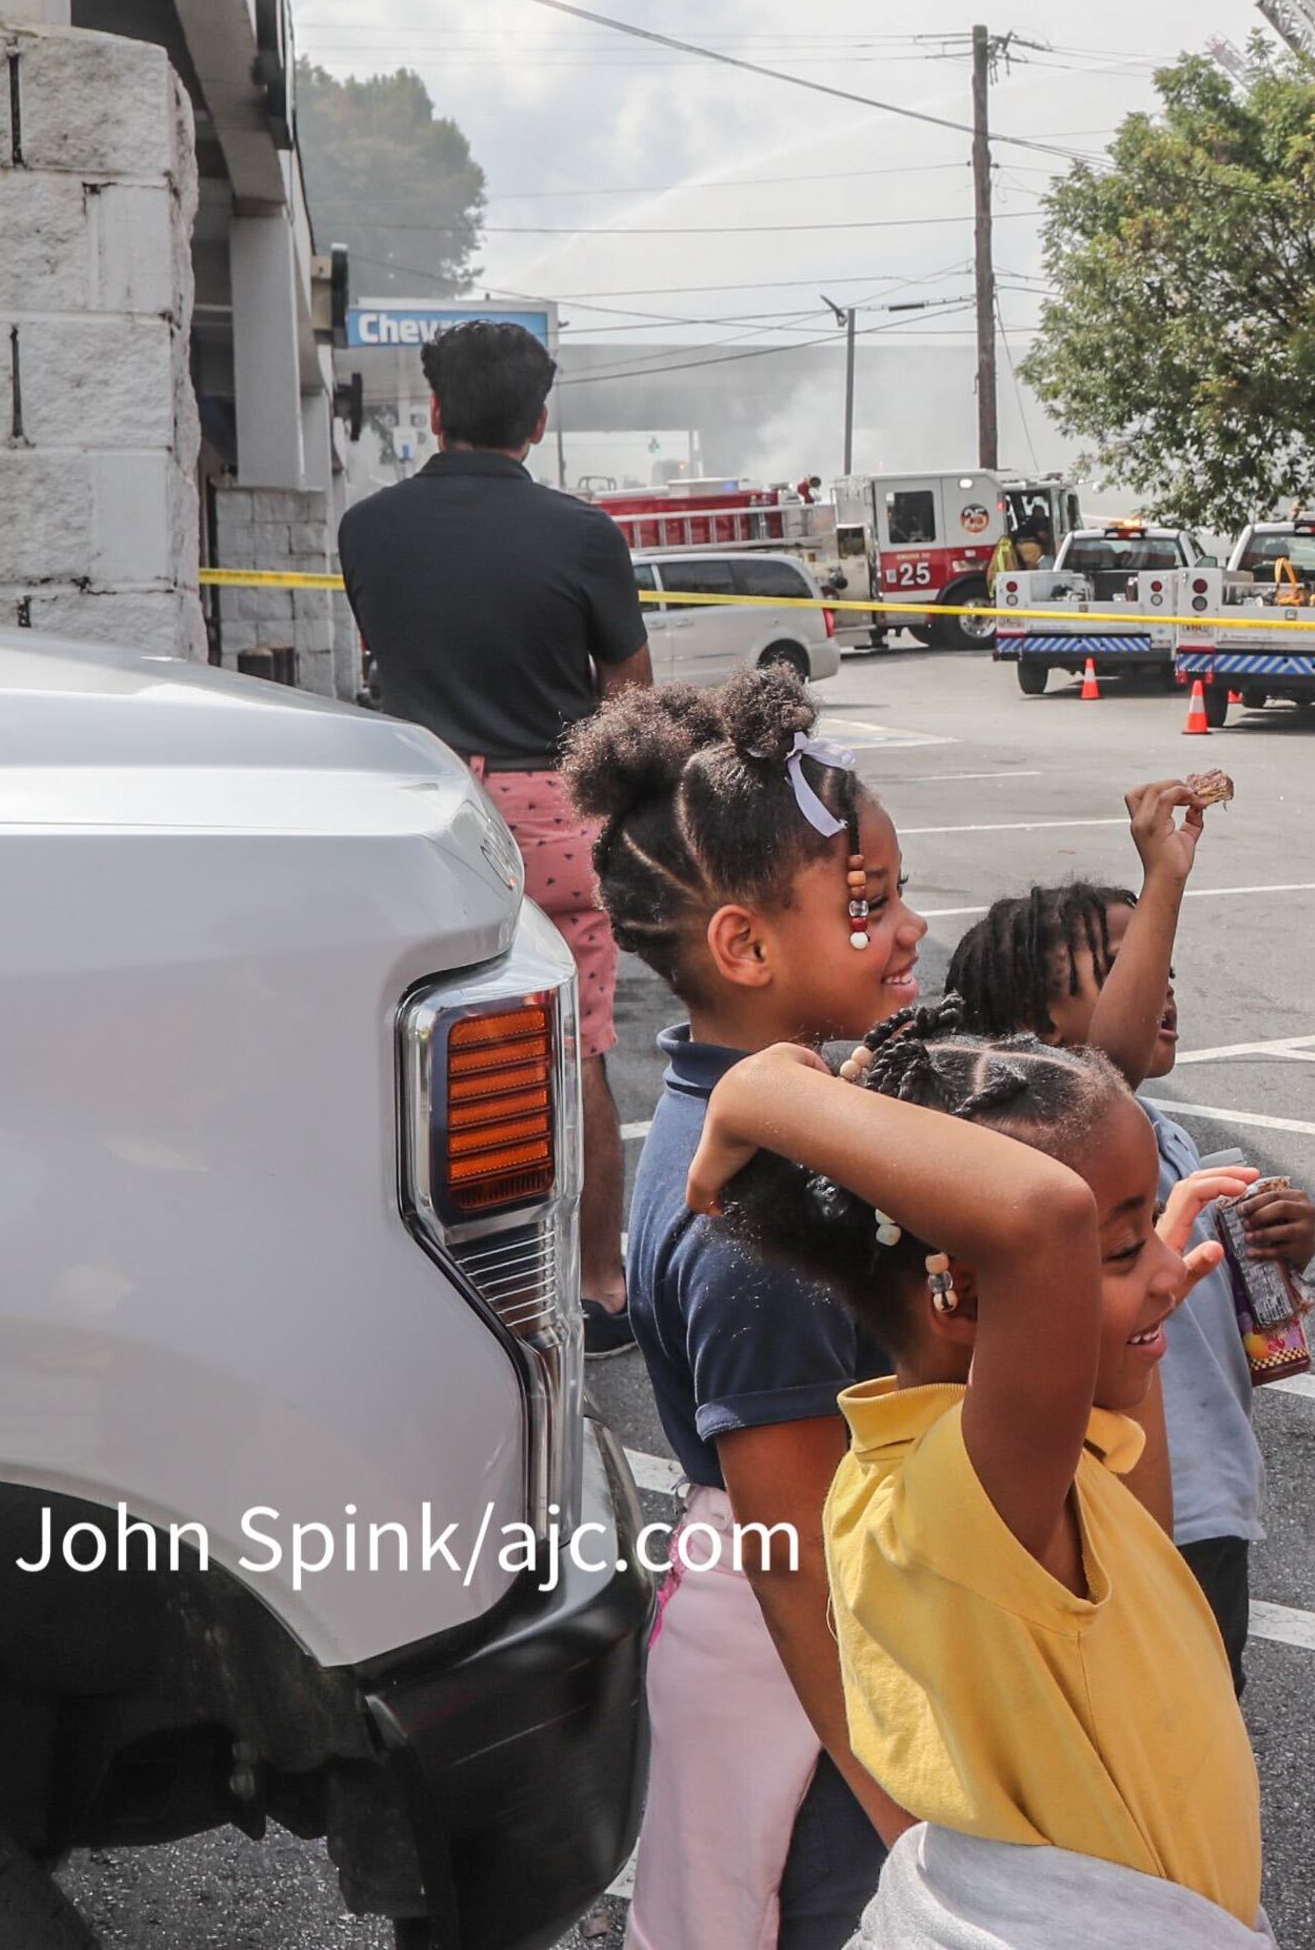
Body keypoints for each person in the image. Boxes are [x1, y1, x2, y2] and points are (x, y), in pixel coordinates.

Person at [691, 1021, 1274, 1949]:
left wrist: (1141, 1283)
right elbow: (1045, 1216)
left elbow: (1147, 1537)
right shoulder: (951, 1491)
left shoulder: (1033, 1466)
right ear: (960, 1292)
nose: (1167, 1269)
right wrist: (760, 1097)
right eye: (1119, 1248)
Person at [565, 669, 931, 1950]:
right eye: (870, 904)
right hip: (821, 1721)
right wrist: (905, 1813)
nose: (912, 928)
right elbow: (797, 1555)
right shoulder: (753, 1219)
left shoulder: (776, 1117)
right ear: (745, 945)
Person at [935, 775, 1315, 1690]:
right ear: (1033, 1032)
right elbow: (1101, 1070)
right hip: (1122, 1505)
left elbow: (1213, 1296)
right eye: (1123, 966)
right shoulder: (1055, 1151)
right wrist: (1164, 885)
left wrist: (1286, 1244)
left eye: (1163, 965)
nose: (1165, 988)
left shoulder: (1171, 1143)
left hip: (1208, 1501)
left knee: (1197, 1741)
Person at [338, 318, 649, 1331]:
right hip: (557, 812)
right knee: (585, 1048)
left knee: (423, 1046)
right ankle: (600, 1284)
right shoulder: (584, 535)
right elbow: (629, 698)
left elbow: (390, 655)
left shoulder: (367, 530)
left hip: (425, 813)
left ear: (434, 412)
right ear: (540, 420)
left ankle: (443, 1291)